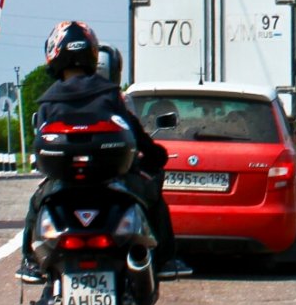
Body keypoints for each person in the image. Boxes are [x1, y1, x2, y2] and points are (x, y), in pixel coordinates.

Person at [17, 20, 192, 283]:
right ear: (91, 54)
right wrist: (155, 155)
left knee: (37, 202)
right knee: (153, 198)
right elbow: (134, 133)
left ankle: (29, 261)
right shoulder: (110, 94)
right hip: (113, 180)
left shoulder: (49, 100)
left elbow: (39, 143)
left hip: (64, 183)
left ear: (54, 54)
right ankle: (166, 259)